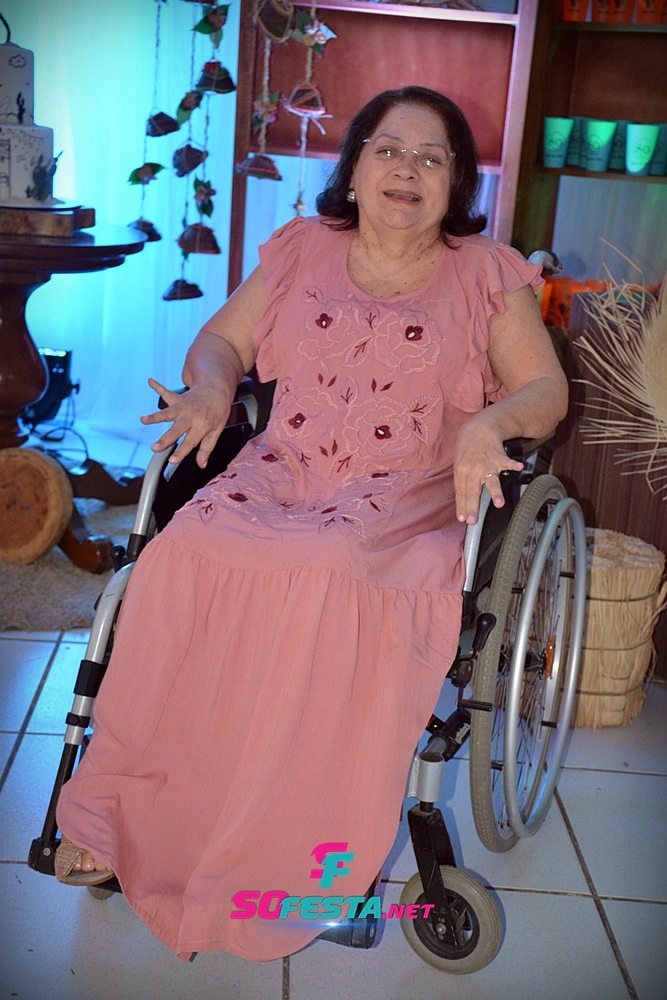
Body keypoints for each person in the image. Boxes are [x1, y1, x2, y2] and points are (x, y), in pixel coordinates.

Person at [55, 87, 568, 962]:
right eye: (387, 149)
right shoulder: (302, 247)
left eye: (432, 157)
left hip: (406, 491)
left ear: (455, 183)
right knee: (185, 549)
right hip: (283, 469)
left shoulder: (487, 272)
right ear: (355, 167)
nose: (406, 169)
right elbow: (221, 342)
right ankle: (121, 817)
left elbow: (544, 391)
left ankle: (287, 842)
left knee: (327, 563)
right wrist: (212, 386)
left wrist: (489, 424)